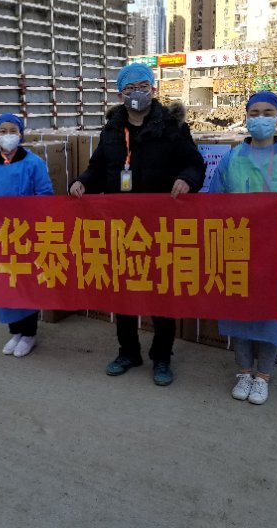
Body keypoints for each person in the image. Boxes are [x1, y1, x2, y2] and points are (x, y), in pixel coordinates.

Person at [69, 63, 206, 387]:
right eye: (129, 89)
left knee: (162, 294)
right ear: (120, 95)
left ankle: (162, 357)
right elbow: (98, 168)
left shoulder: (172, 127)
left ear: (153, 90)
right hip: (122, 228)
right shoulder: (112, 131)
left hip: (162, 228)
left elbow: (194, 164)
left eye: (142, 86)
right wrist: (82, 182)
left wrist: (187, 179)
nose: (136, 93)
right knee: (124, 293)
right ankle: (128, 352)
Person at [209, 91, 277, 405]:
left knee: (274, 312)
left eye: (267, 113)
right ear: (245, 118)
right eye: (254, 113)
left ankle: (263, 376)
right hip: (239, 245)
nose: (260, 119)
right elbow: (215, 199)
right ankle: (244, 371)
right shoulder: (233, 158)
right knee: (241, 311)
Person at [0, 113, 54, 358]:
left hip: (25, 233)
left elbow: (45, 195)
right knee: (3, 281)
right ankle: (15, 331)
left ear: (21, 134)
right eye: (2, 131)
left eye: (12, 130)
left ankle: (29, 333)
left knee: (24, 281)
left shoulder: (33, 163)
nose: (7, 135)